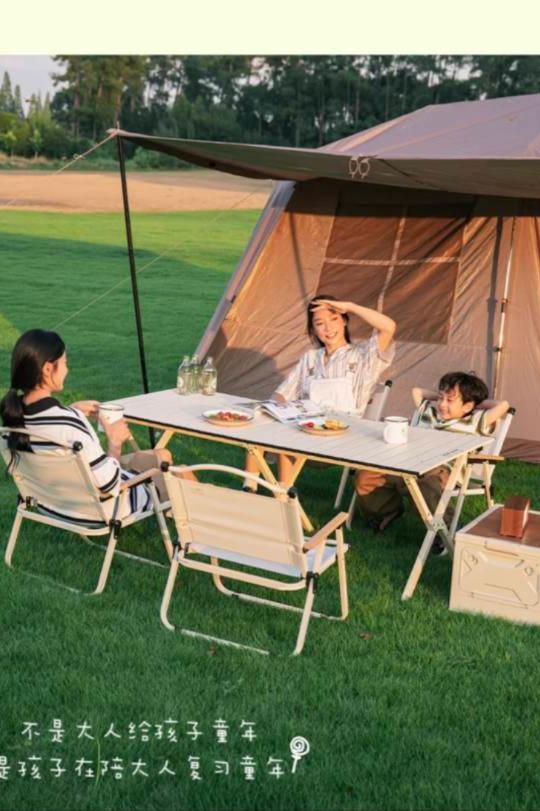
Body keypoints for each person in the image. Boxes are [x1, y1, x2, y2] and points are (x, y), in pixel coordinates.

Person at [0, 329, 190, 525]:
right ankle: (195, 538)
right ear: (48, 369)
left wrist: (71, 410)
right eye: (65, 363)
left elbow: (50, 426)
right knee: (180, 474)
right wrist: (115, 442)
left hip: (53, 505)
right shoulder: (69, 423)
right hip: (101, 509)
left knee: (162, 455)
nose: (67, 369)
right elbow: (108, 484)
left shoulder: (12, 420)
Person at [245, 295, 396, 487]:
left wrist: (349, 305)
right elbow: (283, 393)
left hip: (343, 435)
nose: (328, 328)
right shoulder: (310, 358)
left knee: (284, 440)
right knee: (259, 425)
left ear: (344, 321)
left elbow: (388, 327)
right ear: (314, 330)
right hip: (308, 428)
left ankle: (283, 497)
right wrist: (273, 408)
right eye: (319, 323)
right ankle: (249, 489)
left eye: (333, 319)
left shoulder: (364, 357)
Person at [355, 371, 510, 550]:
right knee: (366, 476)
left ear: (467, 407)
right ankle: (387, 512)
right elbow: (417, 391)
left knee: (426, 485)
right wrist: (444, 397)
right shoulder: (430, 411)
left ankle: (446, 528)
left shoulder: (474, 420)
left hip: (442, 470)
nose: (442, 404)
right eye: (440, 397)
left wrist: (475, 403)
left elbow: (503, 405)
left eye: (450, 400)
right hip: (408, 463)